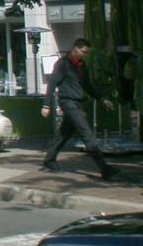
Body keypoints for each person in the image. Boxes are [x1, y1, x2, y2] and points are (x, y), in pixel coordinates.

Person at [41, 38, 119, 180]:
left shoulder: (82, 65)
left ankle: (49, 160)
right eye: (84, 52)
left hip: (78, 103)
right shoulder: (62, 64)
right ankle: (105, 169)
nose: (86, 54)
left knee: (64, 133)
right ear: (75, 48)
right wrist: (46, 105)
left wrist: (102, 99)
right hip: (68, 103)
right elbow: (52, 83)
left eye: (87, 52)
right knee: (87, 135)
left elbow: (88, 85)